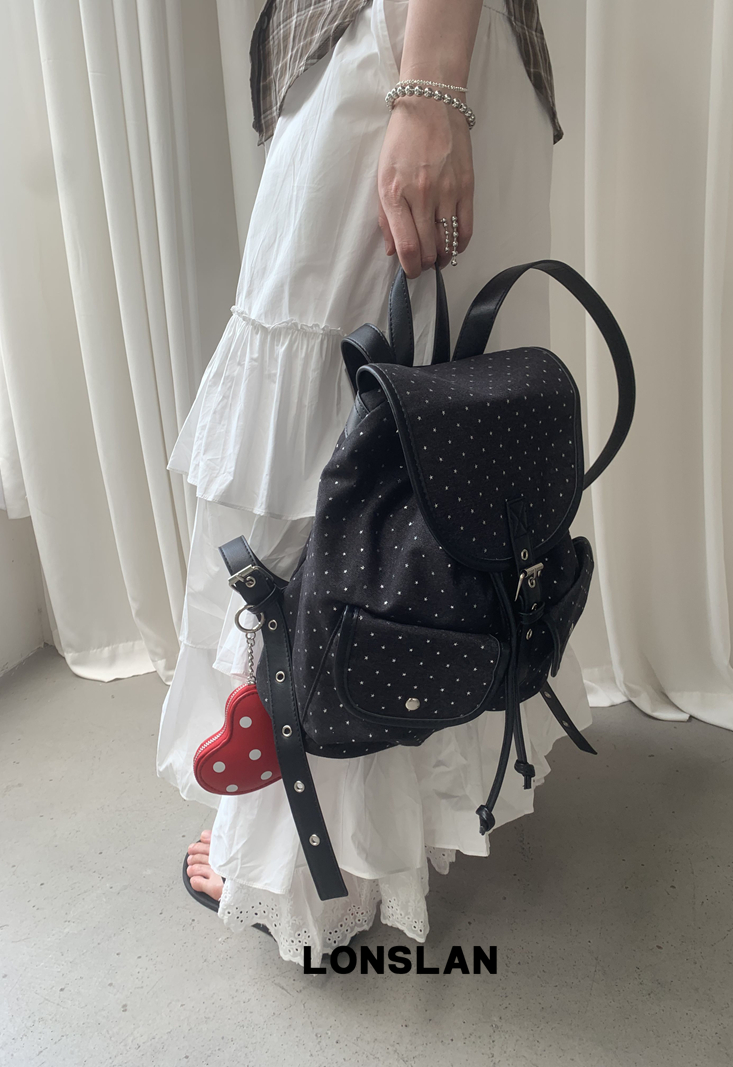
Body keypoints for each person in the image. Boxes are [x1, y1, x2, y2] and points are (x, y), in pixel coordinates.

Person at [157, 0, 591, 968]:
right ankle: (378, 823)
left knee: (331, 437)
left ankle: (314, 869)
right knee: (424, 440)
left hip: (403, 57)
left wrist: (428, 87)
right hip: (430, 61)